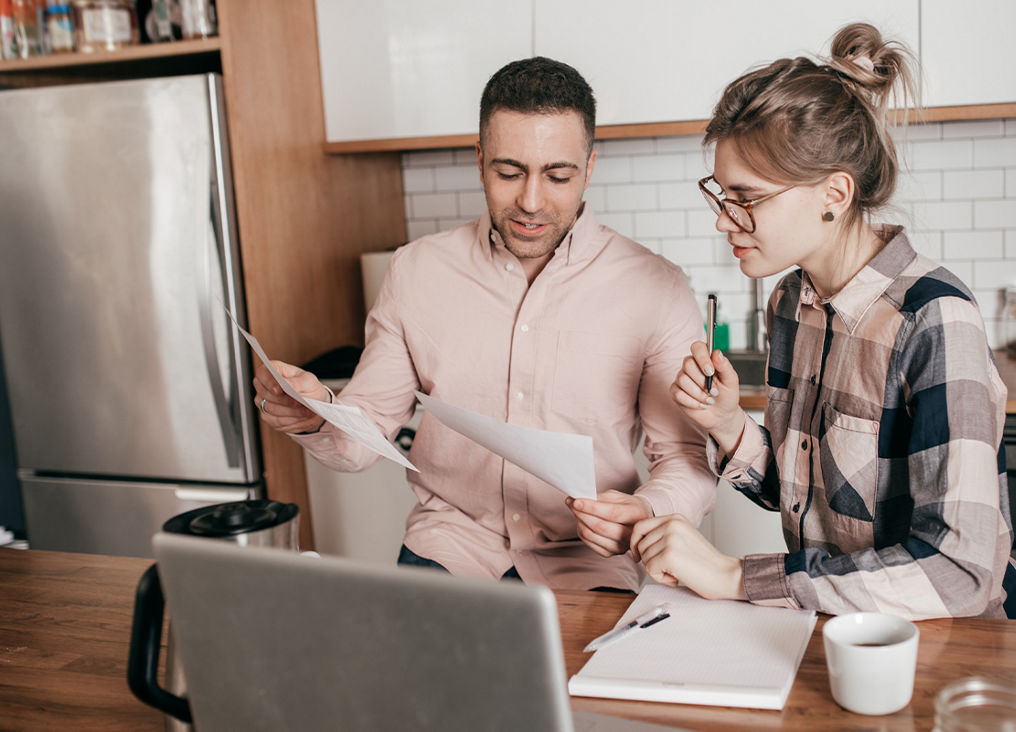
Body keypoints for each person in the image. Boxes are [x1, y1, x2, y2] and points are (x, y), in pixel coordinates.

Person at [254, 57, 716, 592]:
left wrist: (644, 509)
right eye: (509, 172)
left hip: (589, 561)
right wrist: (315, 416)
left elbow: (684, 458)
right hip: (448, 549)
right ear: (479, 161)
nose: (531, 201)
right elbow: (365, 432)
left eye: (558, 175)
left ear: (588, 168)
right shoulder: (415, 271)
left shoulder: (655, 286)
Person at [629, 23, 1016, 619]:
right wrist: (726, 427)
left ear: (834, 194)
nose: (723, 220)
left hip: (951, 644)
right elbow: (808, 500)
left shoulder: (933, 320)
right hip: (842, 629)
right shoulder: (791, 303)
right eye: (720, 194)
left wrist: (734, 575)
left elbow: (959, 573)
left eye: (746, 198)